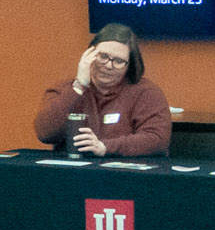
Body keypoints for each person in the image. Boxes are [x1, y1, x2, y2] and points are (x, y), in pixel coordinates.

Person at [36, 23, 170, 158]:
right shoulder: (64, 89)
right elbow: (45, 134)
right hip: (73, 174)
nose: (108, 65)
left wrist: (105, 147)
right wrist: (78, 87)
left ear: (129, 66)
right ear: (88, 55)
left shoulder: (147, 93)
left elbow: (157, 140)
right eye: (103, 56)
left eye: (118, 61)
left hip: (124, 175)